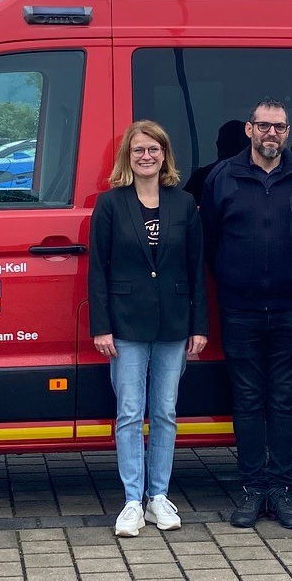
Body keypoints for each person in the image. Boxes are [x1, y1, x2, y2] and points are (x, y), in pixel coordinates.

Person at [201, 98, 292, 529]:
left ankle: (282, 490)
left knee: (287, 402)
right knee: (249, 401)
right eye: (263, 126)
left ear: (287, 132)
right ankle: (253, 490)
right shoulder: (223, 177)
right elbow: (210, 241)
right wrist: (236, 280)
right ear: (249, 130)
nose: (271, 134)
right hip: (241, 311)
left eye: (279, 127)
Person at [88, 121, 208, 538]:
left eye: (154, 149)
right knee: (128, 413)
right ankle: (131, 502)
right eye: (138, 149)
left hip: (174, 324)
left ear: (164, 155)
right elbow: (97, 270)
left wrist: (199, 325)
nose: (146, 156)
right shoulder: (110, 203)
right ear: (128, 155)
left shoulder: (184, 202)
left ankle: (159, 497)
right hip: (125, 324)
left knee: (165, 413)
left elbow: (196, 269)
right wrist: (100, 327)